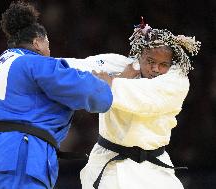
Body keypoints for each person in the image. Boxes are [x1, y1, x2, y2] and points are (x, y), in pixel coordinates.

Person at [0, 1, 113, 189]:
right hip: (18, 161)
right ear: (37, 42)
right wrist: (105, 85)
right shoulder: (33, 62)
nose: (49, 52)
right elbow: (93, 95)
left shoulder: (0, 67)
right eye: (47, 44)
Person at [63, 21, 201, 189]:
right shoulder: (120, 65)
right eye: (150, 61)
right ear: (139, 56)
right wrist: (26, 59)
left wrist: (114, 82)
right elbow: (74, 66)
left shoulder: (176, 82)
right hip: (108, 164)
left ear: (171, 64)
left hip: (154, 170)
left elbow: (144, 98)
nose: (156, 69)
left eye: (163, 64)